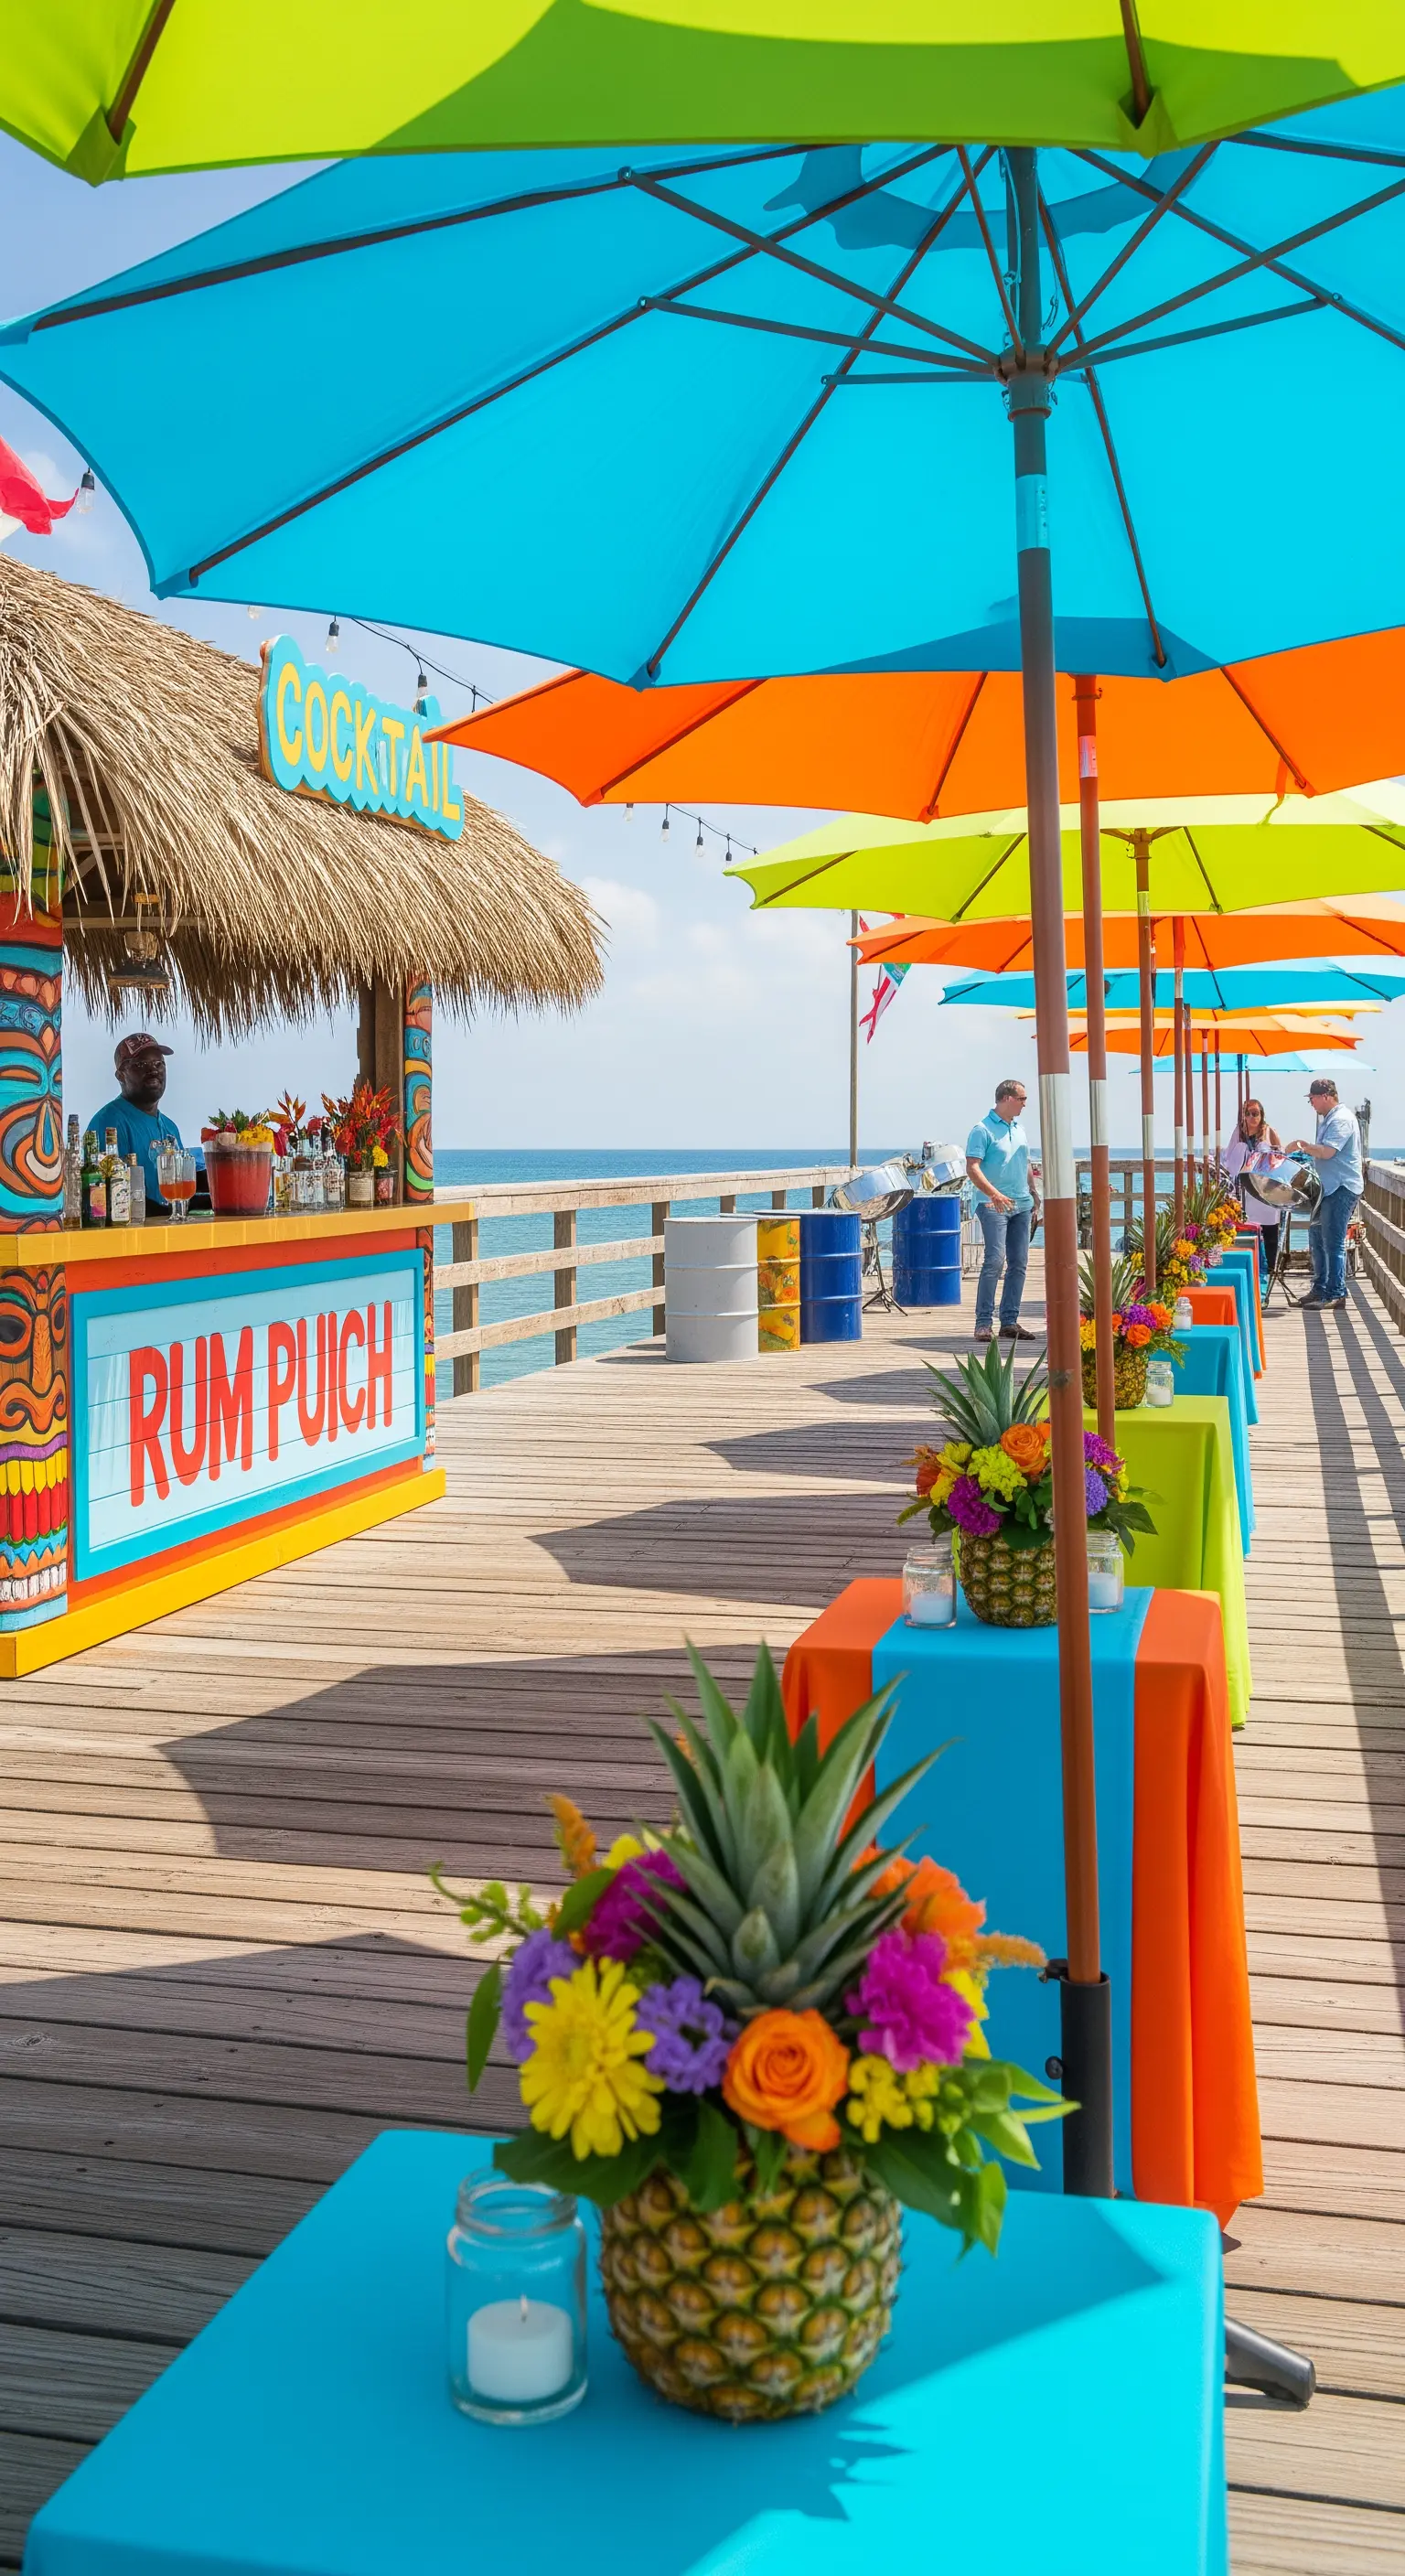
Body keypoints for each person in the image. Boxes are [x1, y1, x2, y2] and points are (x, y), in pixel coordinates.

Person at [966, 1078, 1040, 1343]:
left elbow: (1025, 1163)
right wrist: (994, 1194)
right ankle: (983, 1323)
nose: (1025, 1104)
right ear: (1007, 1098)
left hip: (1021, 1204)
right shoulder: (982, 1129)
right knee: (995, 1261)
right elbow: (972, 1167)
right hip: (992, 1205)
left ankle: (1009, 1321)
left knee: (1019, 1263)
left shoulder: (1018, 1129)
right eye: (1022, 1099)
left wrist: (1033, 1193)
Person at [1285, 1079, 1363, 1310]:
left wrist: (1302, 1146)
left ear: (1326, 1096)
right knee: (1317, 1238)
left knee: (1333, 1242)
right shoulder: (1328, 1119)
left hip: (1341, 1187)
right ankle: (1320, 1288)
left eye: (1313, 1098)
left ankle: (1337, 1292)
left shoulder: (1341, 1119)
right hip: (1327, 1188)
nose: (1311, 1103)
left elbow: (1328, 1152)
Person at [87, 1033, 183, 1218]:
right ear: (120, 1075)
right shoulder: (109, 1122)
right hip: (131, 1238)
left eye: (158, 1064)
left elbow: (182, 1190)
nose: (153, 1070)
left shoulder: (171, 1127)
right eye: (141, 1065)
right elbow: (108, 1196)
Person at [1222, 1098, 1286, 1277]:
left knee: (1270, 1230)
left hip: (1265, 1186)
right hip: (1245, 1189)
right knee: (1249, 1229)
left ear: (1261, 1115)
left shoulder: (1269, 1131)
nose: (1252, 1117)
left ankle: (1272, 1268)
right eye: (1248, 1113)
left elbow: (1280, 1155)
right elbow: (1229, 1159)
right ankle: (1252, 1266)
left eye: (1255, 1113)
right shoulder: (1239, 1134)